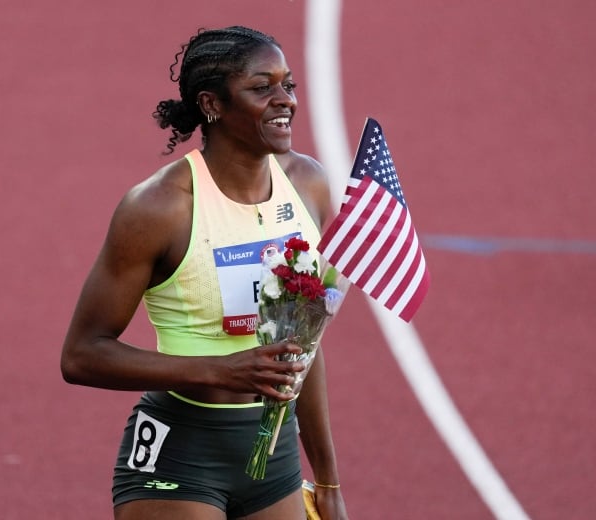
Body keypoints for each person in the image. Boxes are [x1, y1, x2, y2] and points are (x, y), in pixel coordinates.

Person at [60, 26, 349, 520]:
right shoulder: (159, 208)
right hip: (180, 455)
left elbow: (304, 344)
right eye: (263, 88)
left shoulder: (309, 186)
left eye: (290, 85)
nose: (286, 101)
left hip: (272, 457)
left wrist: (327, 479)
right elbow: (82, 356)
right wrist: (221, 370)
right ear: (211, 104)